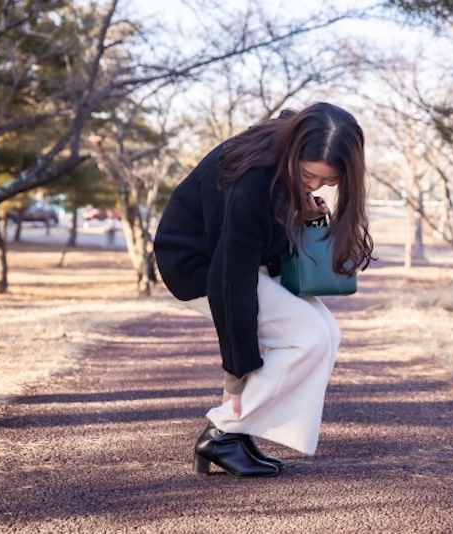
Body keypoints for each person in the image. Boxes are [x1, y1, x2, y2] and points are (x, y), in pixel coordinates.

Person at [153, 102, 374, 478]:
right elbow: (230, 282)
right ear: (294, 149)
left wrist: (308, 214)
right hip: (198, 265)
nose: (314, 185)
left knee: (327, 333)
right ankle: (223, 434)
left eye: (327, 181)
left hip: (234, 260)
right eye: (308, 175)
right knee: (307, 336)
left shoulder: (282, 154)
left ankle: (236, 434)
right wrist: (235, 374)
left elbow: (263, 236)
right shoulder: (252, 180)